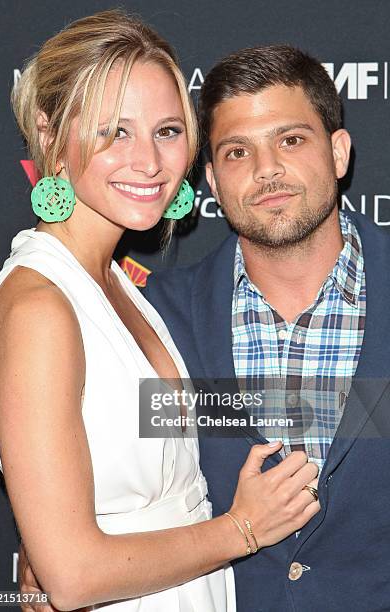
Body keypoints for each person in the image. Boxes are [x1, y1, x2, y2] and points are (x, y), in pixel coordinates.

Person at [0, 13, 320, 612]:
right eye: (115, 131)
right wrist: (242, 528)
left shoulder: (119, 284)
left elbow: (147, 426)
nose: (150, 161)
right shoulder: (40, 306)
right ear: (50, 134)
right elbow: (74, 576)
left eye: (166, 131)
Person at [144, 45, 390, 611]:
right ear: (210, 178)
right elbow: (118, 478)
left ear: (338, 152)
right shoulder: (159, 319)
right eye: (236, 151)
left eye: (291, 140)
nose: (266, 170)